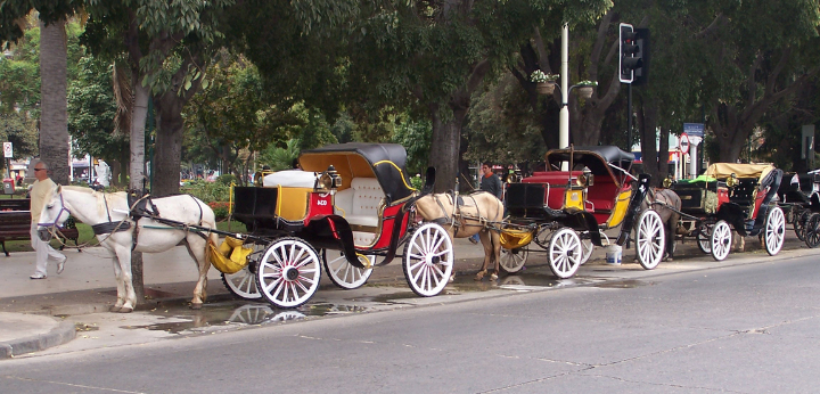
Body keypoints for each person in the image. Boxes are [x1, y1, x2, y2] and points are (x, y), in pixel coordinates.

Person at [29, 162, 67, 279]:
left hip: (46, 221)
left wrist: (52, 221)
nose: (35, 172)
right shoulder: (36, 183)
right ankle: (59, 258)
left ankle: (41, 271)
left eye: (37, 169)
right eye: (34, 169)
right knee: (36, 245)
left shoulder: (51, 186)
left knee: (42, 246)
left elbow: (55, 205)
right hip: (35, 219)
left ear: (45, 171)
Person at [470, 162, 502, 244]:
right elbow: (483, 189)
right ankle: (475, 237)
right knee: (479, 218)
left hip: (492, 202)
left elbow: (499, 190)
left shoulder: (495, 177)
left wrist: (497, 200)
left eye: (485, 168)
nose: (484, 169)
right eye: (483, 168)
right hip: (484, 202)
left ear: (490, 168)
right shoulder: (484, 178)